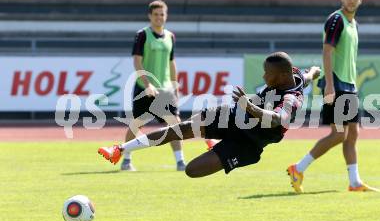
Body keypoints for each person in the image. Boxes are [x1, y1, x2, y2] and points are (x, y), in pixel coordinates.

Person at [98, 52, 321, 177]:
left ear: (281, 77)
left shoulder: (292, 99)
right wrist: (314, 72)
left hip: (248, 144)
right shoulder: (294, 75)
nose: (263, 76)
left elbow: (279, 118)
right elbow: (308, 76)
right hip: (233, 118)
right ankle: (120, 149)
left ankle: (216, 143)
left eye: (267, 73)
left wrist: (252, 108)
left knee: (191, 171)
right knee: (181, 129)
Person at [286, 0, 380, 193]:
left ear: (361, 0)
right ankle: (298, 168)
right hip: (336, 84)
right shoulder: (336, 19)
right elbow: (327, 51)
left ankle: (354, 182)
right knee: (339, 134)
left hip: (350, 86)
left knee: (353, 134)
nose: (352, 1)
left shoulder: (354, 24)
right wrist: (329, 84)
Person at [121, 0, 186, 172]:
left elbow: (172, 63)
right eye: (155, 14)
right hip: (145, 89)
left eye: (162, 14)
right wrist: (147, 84)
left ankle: (180, 162)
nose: (159, 18)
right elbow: (137, 62)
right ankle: (126, 159)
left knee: (175, 124)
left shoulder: (170, 37)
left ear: (166, 16)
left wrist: (175, 86)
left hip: (165, 90)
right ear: (150, 16)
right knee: (137, 124)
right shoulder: (142, 35)